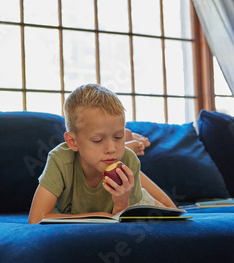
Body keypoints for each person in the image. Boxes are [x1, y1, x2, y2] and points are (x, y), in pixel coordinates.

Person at [28, 84, 176, 224]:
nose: (111, 149)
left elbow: (125, 223)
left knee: (168, 211)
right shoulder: (60, 159)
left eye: (118, 137)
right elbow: (35, 219)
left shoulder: (128, 159)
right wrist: (104, 216)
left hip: (133, 199)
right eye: (98, 140)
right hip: (95, 209)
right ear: (73, 142)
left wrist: (122, 203)